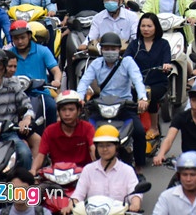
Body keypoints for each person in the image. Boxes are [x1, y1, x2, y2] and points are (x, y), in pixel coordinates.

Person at [76, 32, 148, 168]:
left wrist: (142, 98)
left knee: (139, 132)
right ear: (101, 49)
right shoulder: (96, 64)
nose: (110, 51)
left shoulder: (127, 62)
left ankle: (139, 167)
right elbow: (84, 82)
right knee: (85, 131)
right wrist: (79, 98)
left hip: (125, 107)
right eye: (106, 48)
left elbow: (138, 80)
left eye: (113, 49)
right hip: (102, 107)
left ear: (119, 49)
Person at [70, 126, 141, 214]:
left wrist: (135, 203)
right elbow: (79, 193)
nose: (105, 149)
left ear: (117, 146)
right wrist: (71, 205)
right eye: (101, 146)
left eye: (108, 145)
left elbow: (134, 193)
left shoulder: (127, 170)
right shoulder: (88, 170)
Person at [124, 14, 171, 138]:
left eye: (149, 26)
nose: (146, 29)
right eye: (143, 26)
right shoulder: (135, 45)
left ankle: (154, 127)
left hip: (158, 82)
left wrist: (166, 66)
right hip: (137, 82)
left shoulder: (163, 44)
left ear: (156, 27)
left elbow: (167, 60)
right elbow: (125, 60)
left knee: (150, 94)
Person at [31, 90, 94, 174]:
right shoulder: (50, 131)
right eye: (63, 110)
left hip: (83, 174)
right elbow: (41, 155)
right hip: (57, 175)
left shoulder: (87, 128)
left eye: (71, 109)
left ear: (79, 111)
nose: (67, 114)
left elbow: (93, 150)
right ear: (58, 112)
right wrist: (33, 170)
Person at [151, 151, 196, 215]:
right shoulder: (166, 197)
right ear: (179, 176)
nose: (188, 179)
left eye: (193, 175)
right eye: (184, 175)